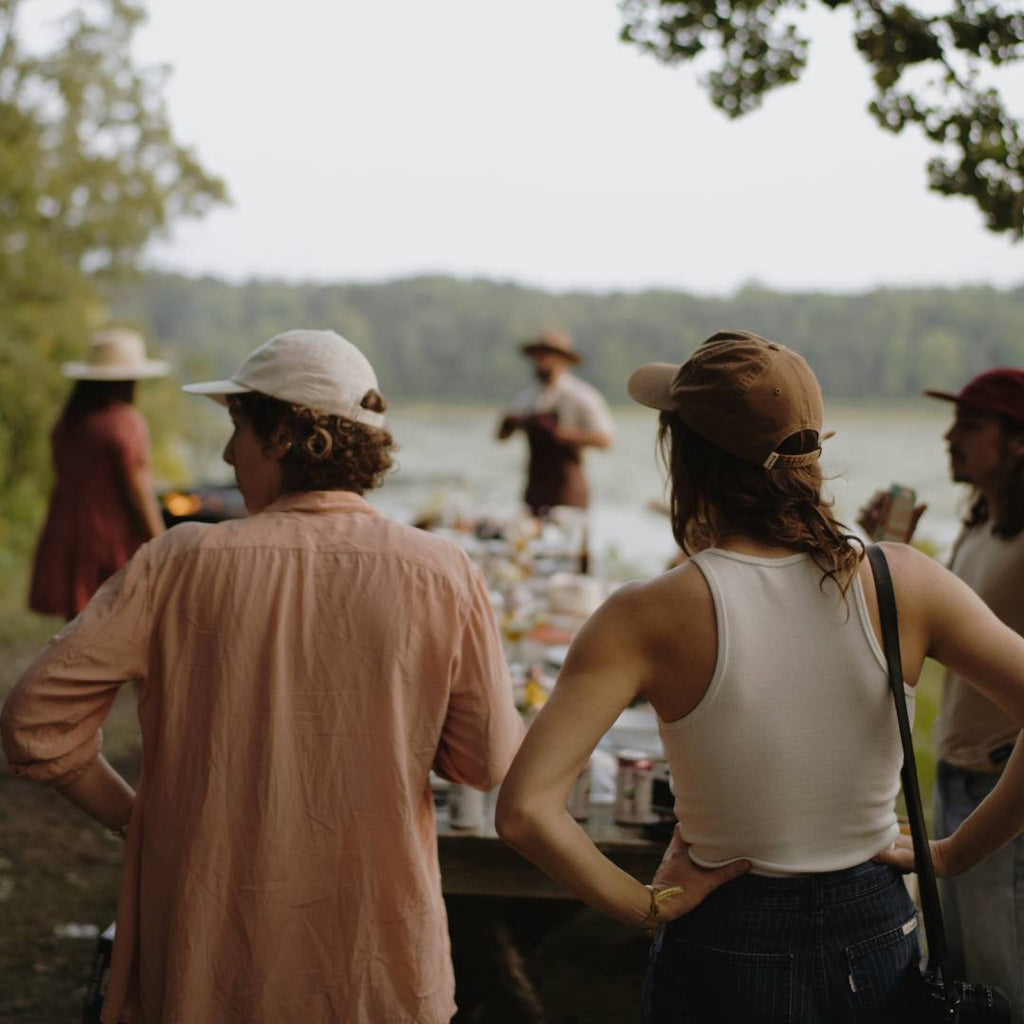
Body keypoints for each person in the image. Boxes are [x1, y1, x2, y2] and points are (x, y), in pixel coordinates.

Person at [496, 330, 1024, 1023]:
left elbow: (526, 811)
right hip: (874, 920)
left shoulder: (643, 614)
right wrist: (956, 853)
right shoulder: (905, 581)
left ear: (683, 455)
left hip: (724, 925)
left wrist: (645, 905)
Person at [2, 329, 523, 1024]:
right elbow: (487, 762)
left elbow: (35, 722)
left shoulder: (179, 562)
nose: (225, 453)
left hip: (207, 955)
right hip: (373, 962)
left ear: (284, 434)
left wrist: (139, 821)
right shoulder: (441, 570)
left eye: (237, 427)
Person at [923, 368, 1024, 1019]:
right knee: (955, 966)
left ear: (1019, 442)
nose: (950, 436)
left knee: (1003, 979)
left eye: (971, 424)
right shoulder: (983, 523)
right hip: (954, 775)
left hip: (1003, 785)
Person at [28, 328, 168, 620]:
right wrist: (160, 540)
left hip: (68, 528)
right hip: (109, 535)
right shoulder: (124, 422)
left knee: (78, 626)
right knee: (114, 625)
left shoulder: (68, 422)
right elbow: (138, 488)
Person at [496, 330, 614, 516]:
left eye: (547, 355)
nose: (541, 361)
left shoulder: (581, 396)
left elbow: (606, 440)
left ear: (563, 360)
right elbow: (501, 437)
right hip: (534, 489)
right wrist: (508, 423)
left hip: (568, 491)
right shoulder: (527, 397)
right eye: (538, 356)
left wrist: (559, 434)